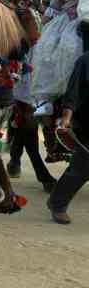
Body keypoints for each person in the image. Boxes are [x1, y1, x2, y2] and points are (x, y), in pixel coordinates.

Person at [32, 0, 89, 115]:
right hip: (66, 21)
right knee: (45, 45)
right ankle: (47, 99)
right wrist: (40, 27)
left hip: (86, 20)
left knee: (73, 46)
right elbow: (54, 7)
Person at [47, 51, 89, 224]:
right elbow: (73, 92)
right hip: (87, 122)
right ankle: (57, 204)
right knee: (83, 166)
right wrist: (66, 118)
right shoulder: (85, 60)